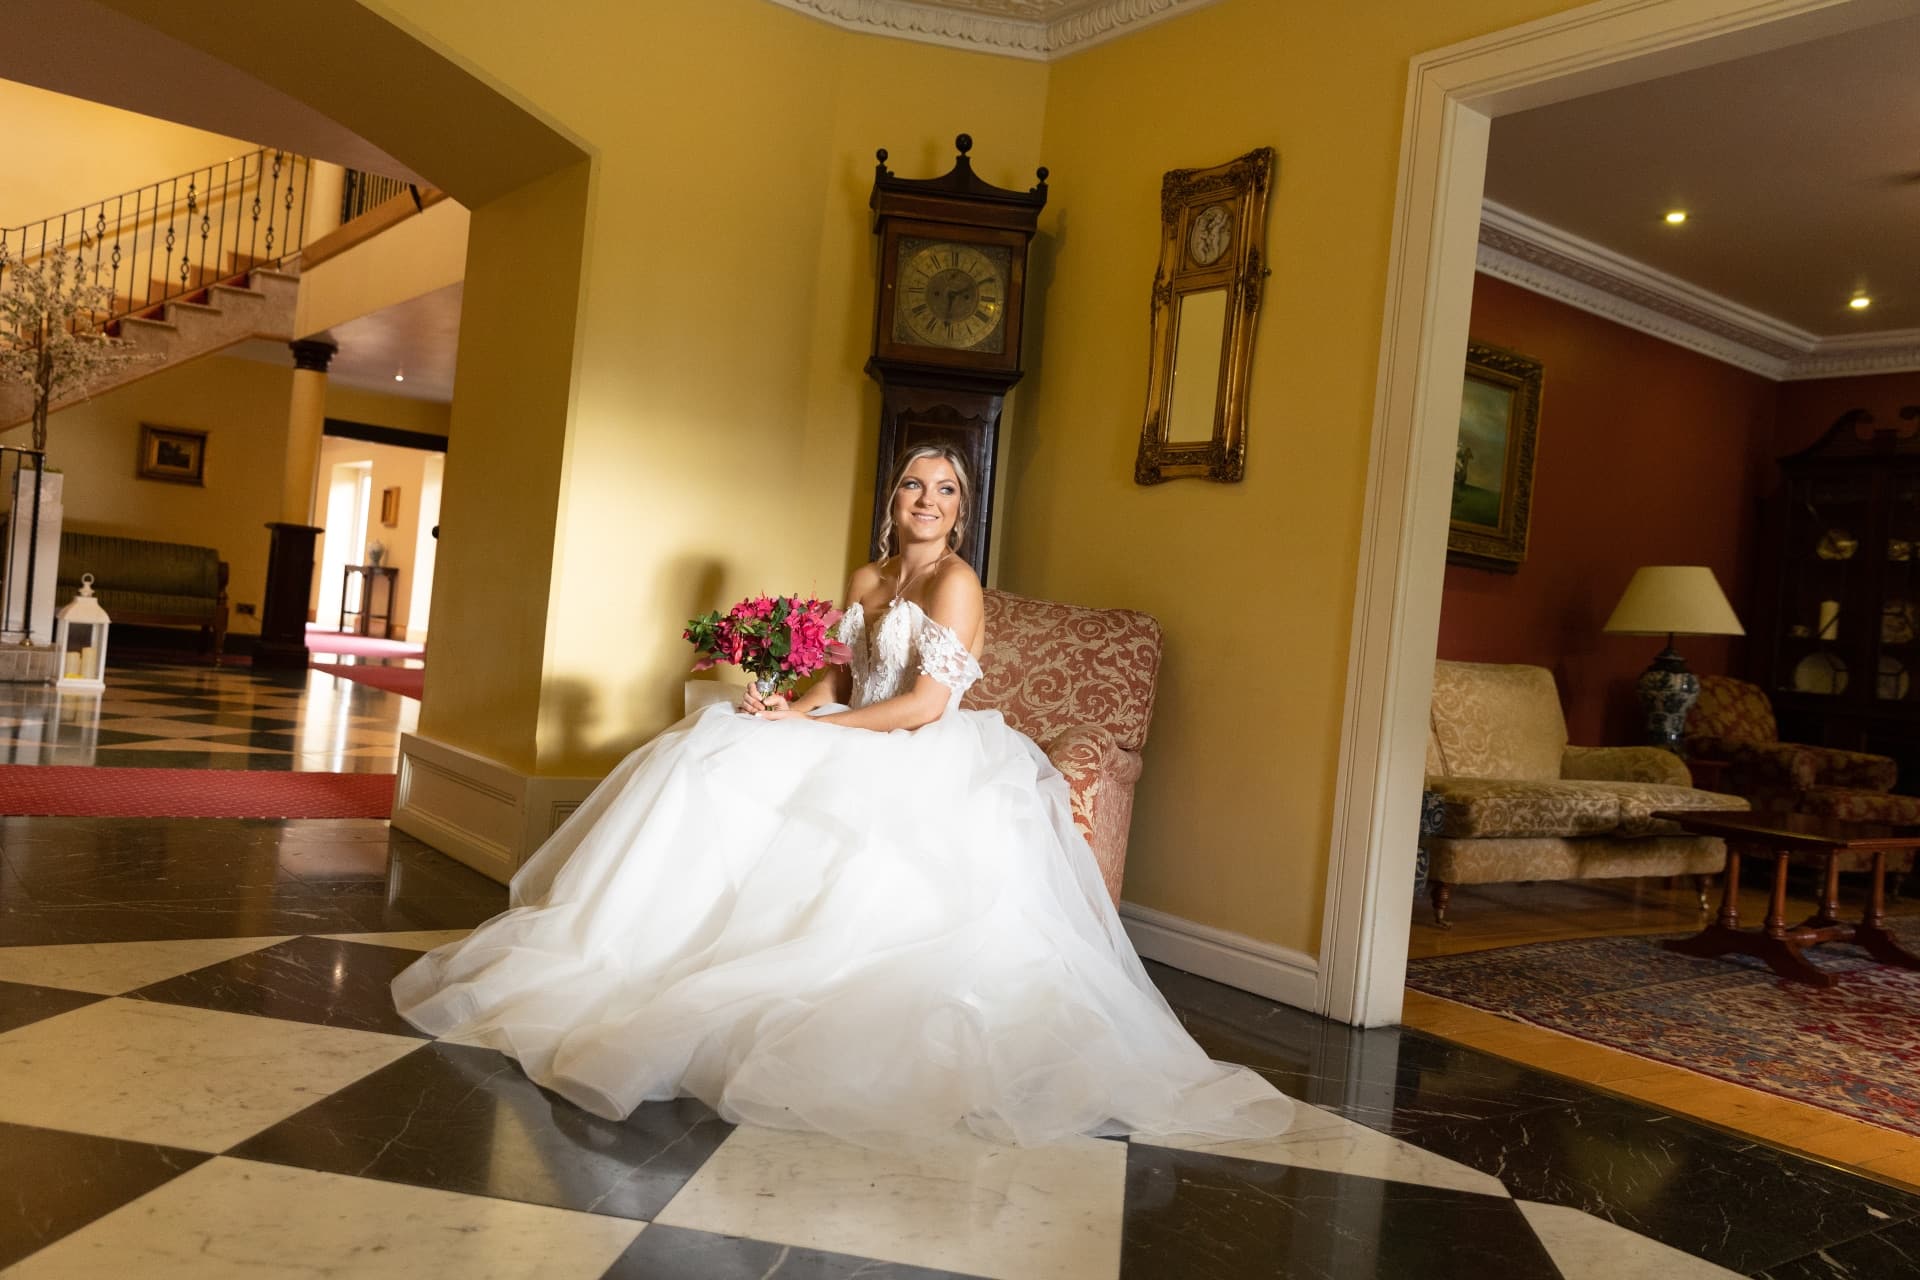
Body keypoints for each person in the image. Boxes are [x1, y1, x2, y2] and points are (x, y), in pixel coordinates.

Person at [392, 444, 1289, 1146]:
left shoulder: (955, 582)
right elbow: (836, 678)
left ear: (960, 512)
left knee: (793, 780)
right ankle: (654, 953)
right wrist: (790, 708)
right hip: (861, 726)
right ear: (892, 500)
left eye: (943, 490)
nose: (925, 501)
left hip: (922, 749)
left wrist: (819, 730)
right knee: (718, 744)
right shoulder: (867, 579)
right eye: (912, 486)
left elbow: (923, 704)